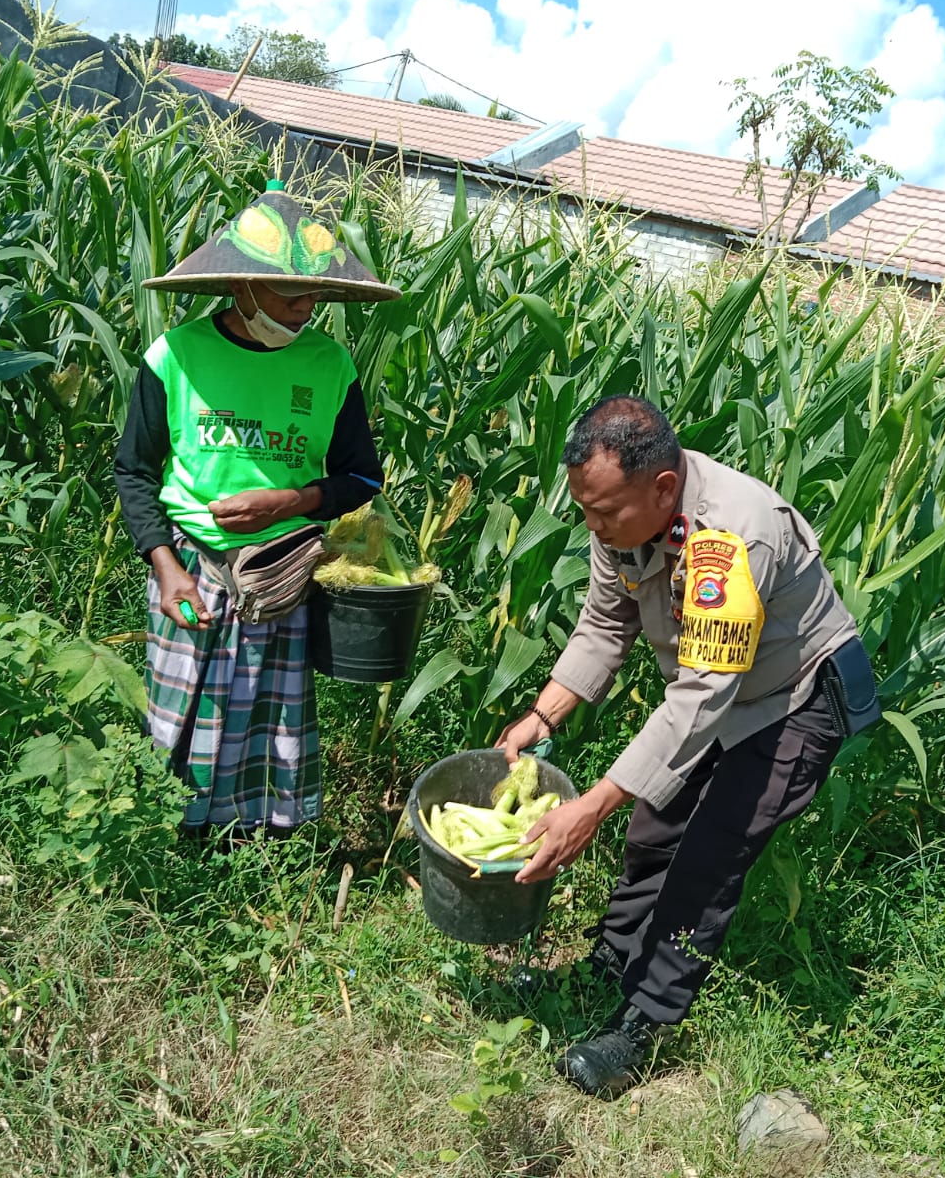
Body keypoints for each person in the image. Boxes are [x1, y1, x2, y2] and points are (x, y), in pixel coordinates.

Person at [495, 394, 880, 1096]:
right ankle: (609, 966)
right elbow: (604, 626)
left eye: (603, 511)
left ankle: (643, 1025)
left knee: (710, 855)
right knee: (654, 829)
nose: (592, 525)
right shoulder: (620, 513)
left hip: (793, 697)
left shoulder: (732, 537)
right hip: (718, 689)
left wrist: (592, 807)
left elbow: (702, 696)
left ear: (663, 487)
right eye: (584, 508)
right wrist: (542, 717)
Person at [114, 180, 400, 843]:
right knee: (182, 710)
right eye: (287, 292)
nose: (304, 307)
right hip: (192, 566)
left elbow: (361, 476)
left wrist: (291, 502)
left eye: (313, 293)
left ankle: (255, 842)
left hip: (281, 572)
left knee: (264, 718)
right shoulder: (176, 356)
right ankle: (166, 837)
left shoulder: (329, 365)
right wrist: (165, 568)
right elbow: (134, 469)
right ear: (242, 287)